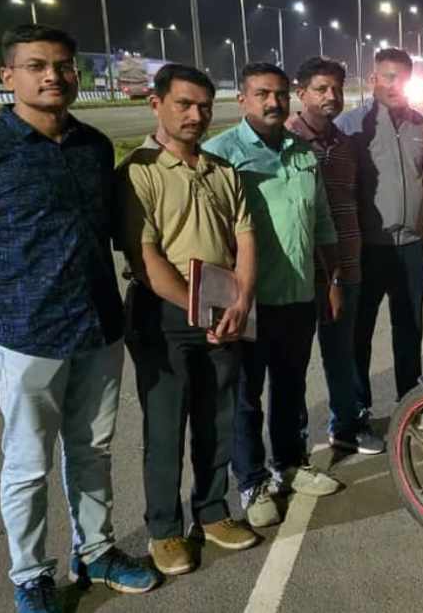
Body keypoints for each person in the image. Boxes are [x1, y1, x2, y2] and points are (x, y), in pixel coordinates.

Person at [0, 24, 161, 612]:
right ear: (7, 75)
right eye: (36, 65)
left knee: (93, 450)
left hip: (98, 324)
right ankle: (30, 575)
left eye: (64, 65)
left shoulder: (94, 146)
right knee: (27, 465)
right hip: (28, 330)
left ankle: (95, 551)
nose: (54, 75)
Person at [118, 64, 261, 576]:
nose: (196, 115)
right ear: (156, 104)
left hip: (223, 309)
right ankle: (164, 529)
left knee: (217, 417)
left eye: (203, 106)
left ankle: (213, 512)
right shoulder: (139, 172)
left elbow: (245, 238)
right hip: (163, 314)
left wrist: (241, 300)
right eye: (184, 104)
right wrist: (198, 308)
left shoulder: (222, 170)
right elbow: (146, 258)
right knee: (165, 426)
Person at [204, 62, 344, 529]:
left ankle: (289, 463)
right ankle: (251, 480)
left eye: (280, 94)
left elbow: (322, 220)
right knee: (246, 395)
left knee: (290, 386)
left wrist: (332, 280)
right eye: (262, 94)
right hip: (246, 301)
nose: (273, 103)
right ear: (241, 99)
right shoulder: (220, 154)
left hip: (297, 293)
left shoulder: (301, 152)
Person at [288, 57, 383, 456]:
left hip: (347, 267)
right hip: (297, 273)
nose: (331, 96)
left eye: (337, 89)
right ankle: (290, 451)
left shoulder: (346, 145)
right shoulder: (284, 142)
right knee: (291, 365)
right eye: (321, 89)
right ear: (301, 93)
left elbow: (354, 201)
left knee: (342, 354)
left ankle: (346, 425)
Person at [335, 49, 423, 426]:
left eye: (403, 78)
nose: (396, 85)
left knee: (409, 329)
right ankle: (359, 409)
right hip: (368, 248)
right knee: (359, 331)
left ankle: (410, 403)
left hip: (412, 246)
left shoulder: (421, 125)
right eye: (388, 77)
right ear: (373, 79)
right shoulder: (350, 126)